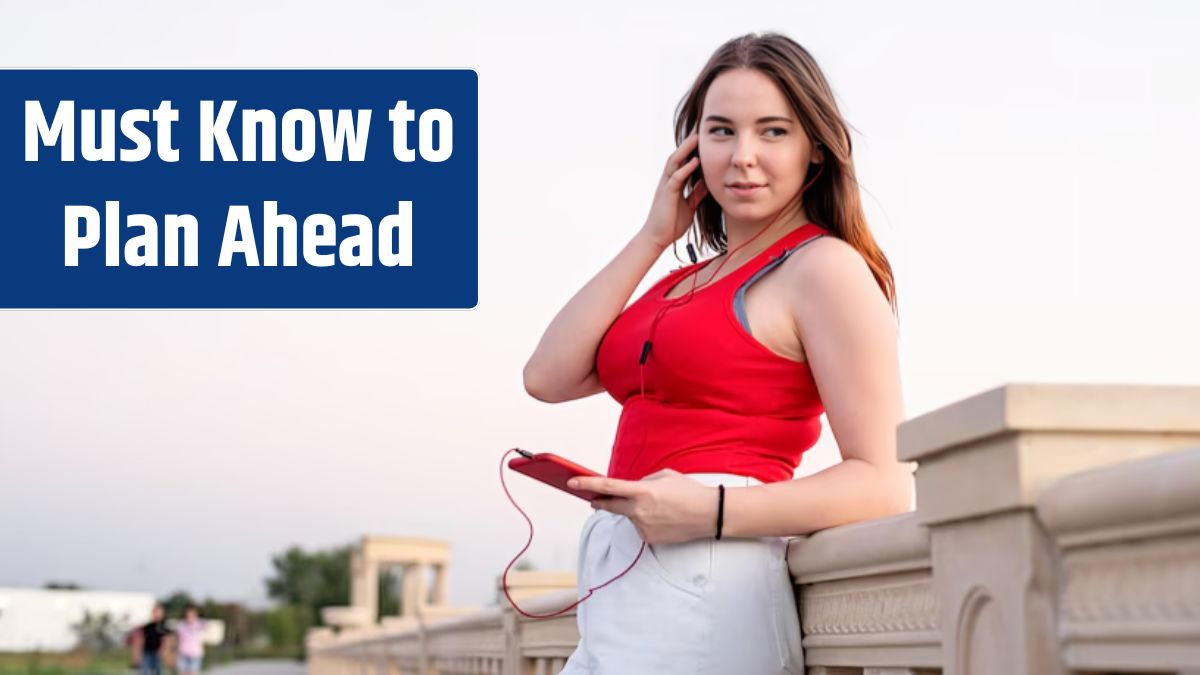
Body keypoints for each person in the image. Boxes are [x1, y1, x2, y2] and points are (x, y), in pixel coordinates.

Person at [523, 32, 914, 674]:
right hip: (621, 581)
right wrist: (655, 235)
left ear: (815, 148)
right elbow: (547, 376)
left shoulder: (824, 269)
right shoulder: (687, 278)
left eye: (773, 132)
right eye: (722, 131)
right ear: (691, 147)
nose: (743, 157)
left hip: (708, 574)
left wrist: (710, 510)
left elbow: (885, 480)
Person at [135, 604, 173, 675]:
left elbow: (167, 642)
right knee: (145, 671)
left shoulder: (165, 627)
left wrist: (166, 652)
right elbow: (141, 640)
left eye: (159, 612)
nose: (157, 614)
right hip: (147, 653)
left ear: (163, 614)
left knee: (159, 671)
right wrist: (138, 654)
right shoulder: (147, 627)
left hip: (159, 654)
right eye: (155, 612)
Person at [174, 604, 206, 675]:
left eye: (192, 615)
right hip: (182, 654)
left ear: (196, 615)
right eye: (188, 614)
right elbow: (177, 639)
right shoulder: (181, 625)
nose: (190, 616)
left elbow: (208, 625)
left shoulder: (199, 624)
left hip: (195, 654)